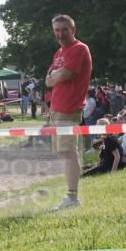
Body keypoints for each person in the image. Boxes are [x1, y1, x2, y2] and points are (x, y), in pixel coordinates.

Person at [45, 14, 93, 210]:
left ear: (73, 30)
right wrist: (56, 76)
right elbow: (48, 80)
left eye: (64, 29)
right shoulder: (58, 53)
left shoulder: (79, 49)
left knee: (68, 152)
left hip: (69, 109)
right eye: (56, 30)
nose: (60, 34)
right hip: (56, 109)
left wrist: (56, 75)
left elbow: (65, 74)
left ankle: (72, 198)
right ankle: (71, 197)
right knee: (64, 153)